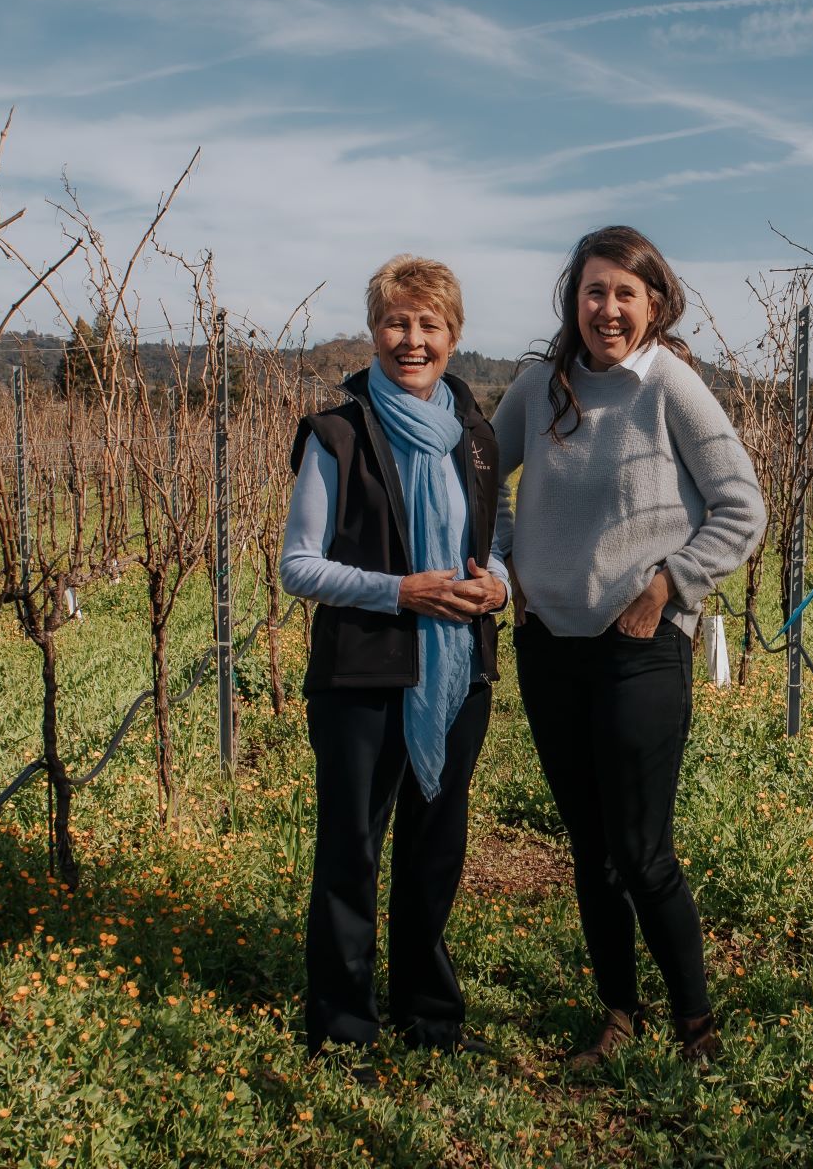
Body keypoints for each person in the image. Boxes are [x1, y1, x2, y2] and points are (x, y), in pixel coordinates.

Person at [492, 225, 765, 1067]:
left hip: (638, 650)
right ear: (574, 300)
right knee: (589, 849)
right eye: (594, 292)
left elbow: (742, 508)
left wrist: (667, 586)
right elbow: (478, 477)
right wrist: (510, 565)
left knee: (641, 850)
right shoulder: (539, 387)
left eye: (625, 293)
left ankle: (698, 1029)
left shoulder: (670, 386)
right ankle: (618, 1015)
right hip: (549, 649)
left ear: (653, 303)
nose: (608, 309)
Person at [280, 254, 509, 1068]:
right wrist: (398, 591)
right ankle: (343, 1020)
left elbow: (496, 543)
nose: (413, 340)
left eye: (430, 325)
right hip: (364, 675)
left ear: (453, 336)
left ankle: (430, 1010)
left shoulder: (475, 439)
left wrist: (498, 590)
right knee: (352, 848)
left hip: (459, 674)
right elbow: (298, 566)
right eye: (397, 322)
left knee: (435, 848)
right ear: (374, 330)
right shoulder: (336, 435)